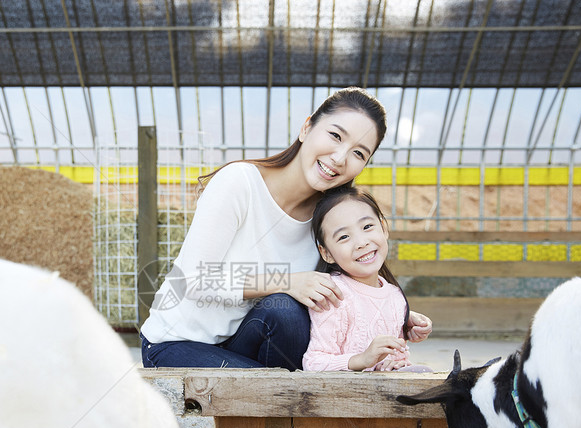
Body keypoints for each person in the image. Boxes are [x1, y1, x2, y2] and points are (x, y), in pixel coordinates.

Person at [140, 86, 432, 370]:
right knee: (285, 353)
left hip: (245, 339)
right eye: (335, 135)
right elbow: (191, 281)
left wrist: (390, 311)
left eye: (359, 153)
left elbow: (344, 285)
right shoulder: (239, 182)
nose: (340, 158)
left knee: (290, 314)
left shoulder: (328, 221)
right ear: (306, 128)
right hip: (177, 343)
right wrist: (287, 281)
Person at [302, 185, 432, 372]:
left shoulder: (395, 296)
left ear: (384, 228)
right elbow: (314, 363)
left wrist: (398, 362)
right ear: (326, 253)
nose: (361, 243)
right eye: (344, 236)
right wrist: (361, 360)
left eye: (367, 227)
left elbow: (397, 355)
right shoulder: (334, 295)